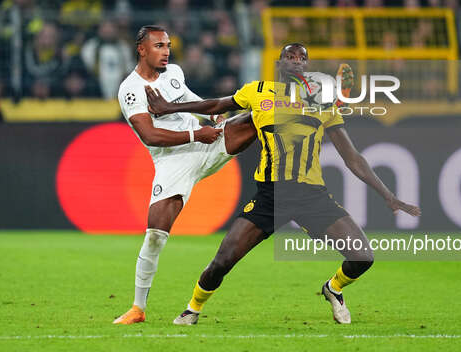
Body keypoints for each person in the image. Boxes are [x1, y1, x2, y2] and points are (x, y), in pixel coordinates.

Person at [146, 43, 421, 325]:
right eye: (290, 56)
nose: (297, 61)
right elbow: (217, 105)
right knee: (223, 260)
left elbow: (352, 157)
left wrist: (388, 195)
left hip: (312, 196)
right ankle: (192, 309)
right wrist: (169, 107)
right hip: (271, 197)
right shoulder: (259, 91)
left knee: (363, 257)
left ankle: (333, 288)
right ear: (280, 63)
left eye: (303, 57)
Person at [112, 25, 256, 325]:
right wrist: (195, 134)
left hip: (206, 141)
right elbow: (150, 135)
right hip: (172, 160)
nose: (166, 51)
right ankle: (138, 309)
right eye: (159, 46)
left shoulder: (174, 72)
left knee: (260, 116)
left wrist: (212, 115)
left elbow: (190, 99)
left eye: (168, 45)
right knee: (155, 235)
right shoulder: (130, 89)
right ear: (142, 49)